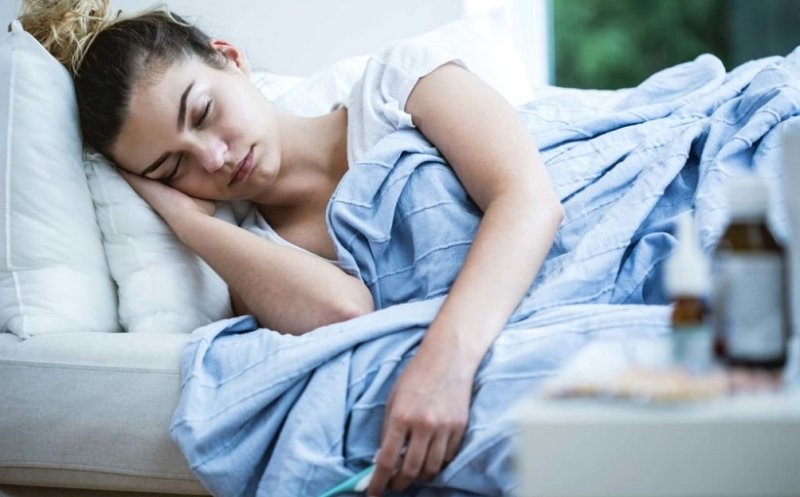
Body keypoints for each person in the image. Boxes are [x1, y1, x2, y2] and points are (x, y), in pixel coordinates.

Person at [21, 0, 563, 494]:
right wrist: (189, 224)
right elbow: (346, 312)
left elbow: (527, 198)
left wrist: (446, 365)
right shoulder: (254, 254)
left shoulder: (396, 87)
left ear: (230, 58)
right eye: (173, 167)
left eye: (203, 113)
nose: (213, 159)